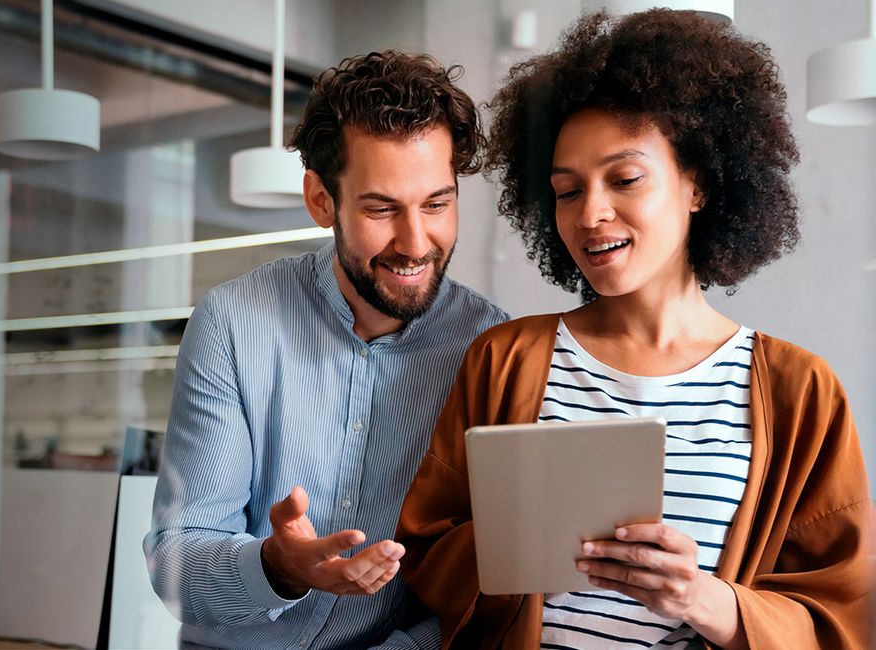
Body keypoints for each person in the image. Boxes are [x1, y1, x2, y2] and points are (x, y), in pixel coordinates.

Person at [396, 9, 873, 649]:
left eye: (624, 178)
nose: (590, 213)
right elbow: (426, 546)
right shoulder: (506, 357)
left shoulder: (801, 392)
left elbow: (842, 617)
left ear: (697, 183)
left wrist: (702, 598)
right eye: (566, 191)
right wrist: (522, 538)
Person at [144, 50, 508, 649]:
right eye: (381, 208)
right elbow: (174, 560)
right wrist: (276, 567)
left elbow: (483, 586)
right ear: (320, 201)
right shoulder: (233, 323)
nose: (416, 243)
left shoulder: (490, 348)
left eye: (437, 204)